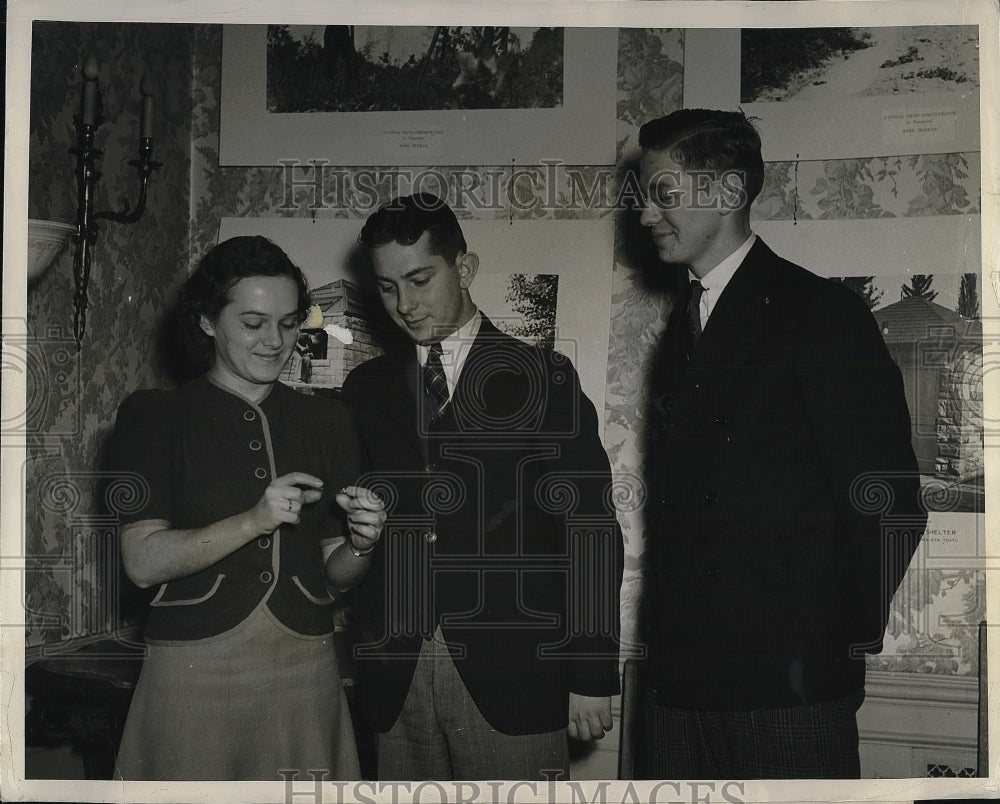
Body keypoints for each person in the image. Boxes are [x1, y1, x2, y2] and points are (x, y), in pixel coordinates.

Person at [636, 109, 926, 779]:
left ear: (730, 192)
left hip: (787, 690)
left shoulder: (818, 312)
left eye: (664, 193)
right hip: (680, 687)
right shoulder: (686, 324)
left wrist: (824, 643)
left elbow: (889, 502)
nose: (646, 214)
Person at [340, 193, 623, 781]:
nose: (405, 305)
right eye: (388, 287)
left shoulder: (545, 379)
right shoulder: (364, 390)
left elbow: (590, 530)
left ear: (464, 269)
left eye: (420, 279)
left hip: (516, 674)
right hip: (395, 674)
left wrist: (591, 675)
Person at [109, 235, 386, 780]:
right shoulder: (154, 417)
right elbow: (141, 563)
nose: (275, 342)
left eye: (288, 323)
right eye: (254, 323)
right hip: (194, 670)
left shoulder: (328, 421)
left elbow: (337, 577)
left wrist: (361, 543)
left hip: (304, 669)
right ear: (209, 322)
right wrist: (252, 521)